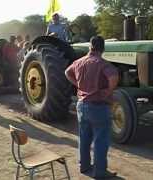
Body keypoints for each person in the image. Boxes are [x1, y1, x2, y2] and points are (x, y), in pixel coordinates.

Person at [65, 36, 119, 179]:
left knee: (84, 138)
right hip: (98, 106)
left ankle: (84, 166)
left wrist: (78, 85)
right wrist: (108, 91)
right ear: (103, 48)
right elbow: (113, 77)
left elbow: (67, 73)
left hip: (81, 105)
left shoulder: (78, 62)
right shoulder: (102, 63)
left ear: (90, 47)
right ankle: (100, 173)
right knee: (101, 140)